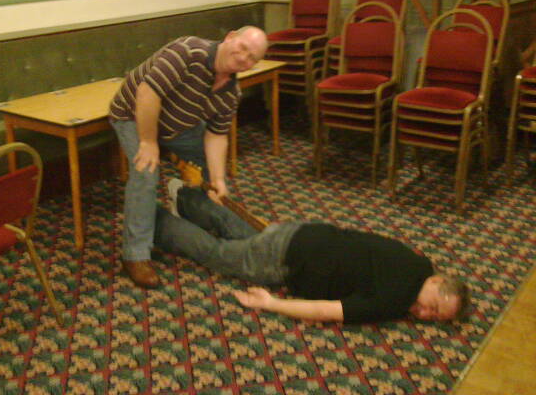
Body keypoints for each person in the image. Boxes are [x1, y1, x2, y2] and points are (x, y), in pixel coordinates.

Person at [153, 179, 470, 323]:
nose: (424, 314)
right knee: (217, 253)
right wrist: (271, 303)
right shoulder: (394, 300)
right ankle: (154, 221)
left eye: (434, 318)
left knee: (243, 236)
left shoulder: (420, 264)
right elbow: (326, 311)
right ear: (437, 282)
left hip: (304, 232)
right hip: (286, 260)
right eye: (433, 307)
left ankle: (187, 198)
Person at [109, 27, 269, 288]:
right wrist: (149, 142)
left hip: (176, 124)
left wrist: (217, 179)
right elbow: (147, 93)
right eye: (242, 47)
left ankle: (186, 205)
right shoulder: (188, 51)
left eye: (252, 58)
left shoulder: (231, 93)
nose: (243, 58)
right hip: (134, 115)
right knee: (146, 173)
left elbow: (216, 136)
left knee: (208, 165)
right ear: (230, 37)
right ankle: (135, 255)